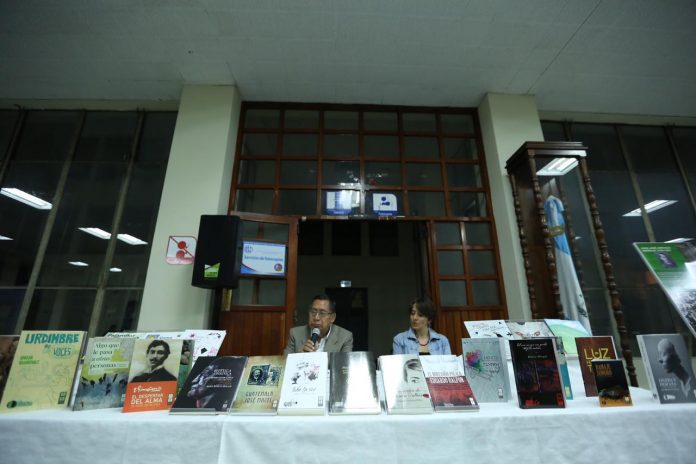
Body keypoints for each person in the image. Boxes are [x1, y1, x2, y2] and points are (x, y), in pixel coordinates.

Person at [284, 294, 353, 354]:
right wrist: (299, 356)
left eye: (322, 313)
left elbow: (344, 363)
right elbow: (284, 362)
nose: (316, 318)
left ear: (332, 317)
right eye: (313, 312)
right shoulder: (295, 333)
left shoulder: (345, 337)